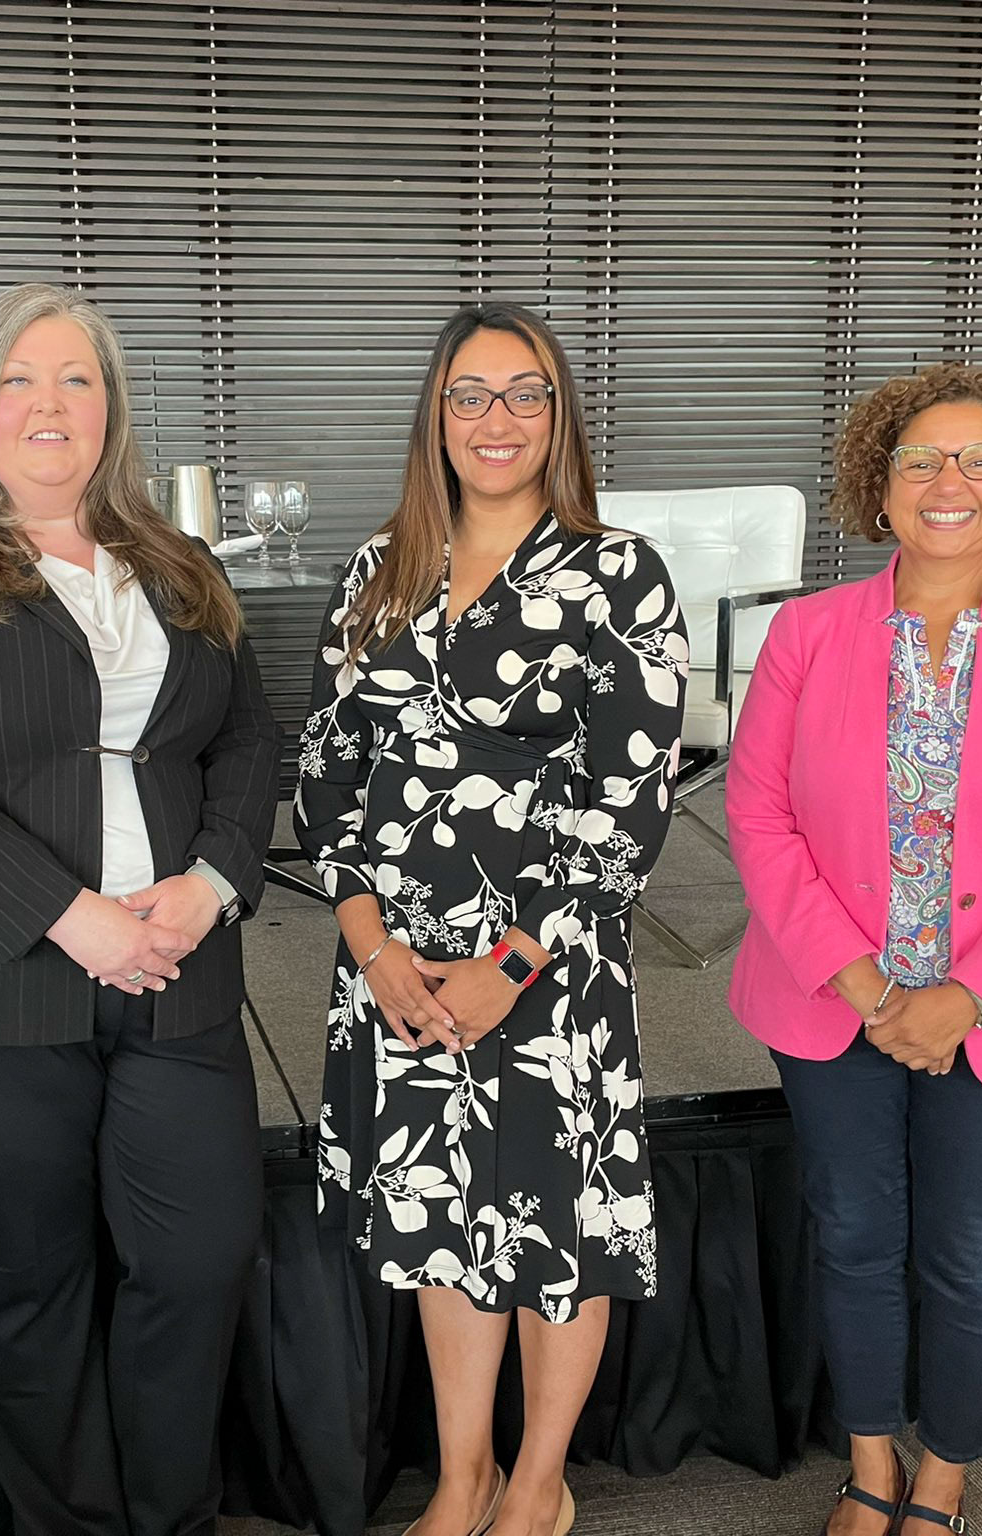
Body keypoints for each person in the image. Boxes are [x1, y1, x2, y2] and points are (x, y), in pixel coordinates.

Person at [0, 281, 280, 1536]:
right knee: (30, 1278)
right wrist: (65, 914)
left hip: (179, 956)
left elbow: (247, 741)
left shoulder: (174, 563)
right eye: (20, 378)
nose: (47, 403)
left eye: (75, 379)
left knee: (198, 1259)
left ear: (110, 409)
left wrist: (209, 884)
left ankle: (169, 1513)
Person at [724, 362, 982, 1535]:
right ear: (878, 487)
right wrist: (869, 988)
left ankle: (945, 1477)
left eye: (977, 460)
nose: (946, 481)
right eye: (918, 459)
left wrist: (963, 997)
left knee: (968, 1253)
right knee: (853, 1237)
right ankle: (870, 1465)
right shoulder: (806, 633)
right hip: (833, 1001)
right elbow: (755, 816)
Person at [295, 302, 689, 1536]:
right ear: (434, 415)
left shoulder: (616, 571)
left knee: (553, 1222)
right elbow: (324, 776)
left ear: (559, 414)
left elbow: (630, 804)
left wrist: (508, 965)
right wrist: (371, 946)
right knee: (435, 1219)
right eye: (469, 394)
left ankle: (535, 1486)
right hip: (398, 969)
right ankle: (461, 1475)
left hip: (548, 968)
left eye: (525, 393)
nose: (496, 419)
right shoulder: (377, 570)